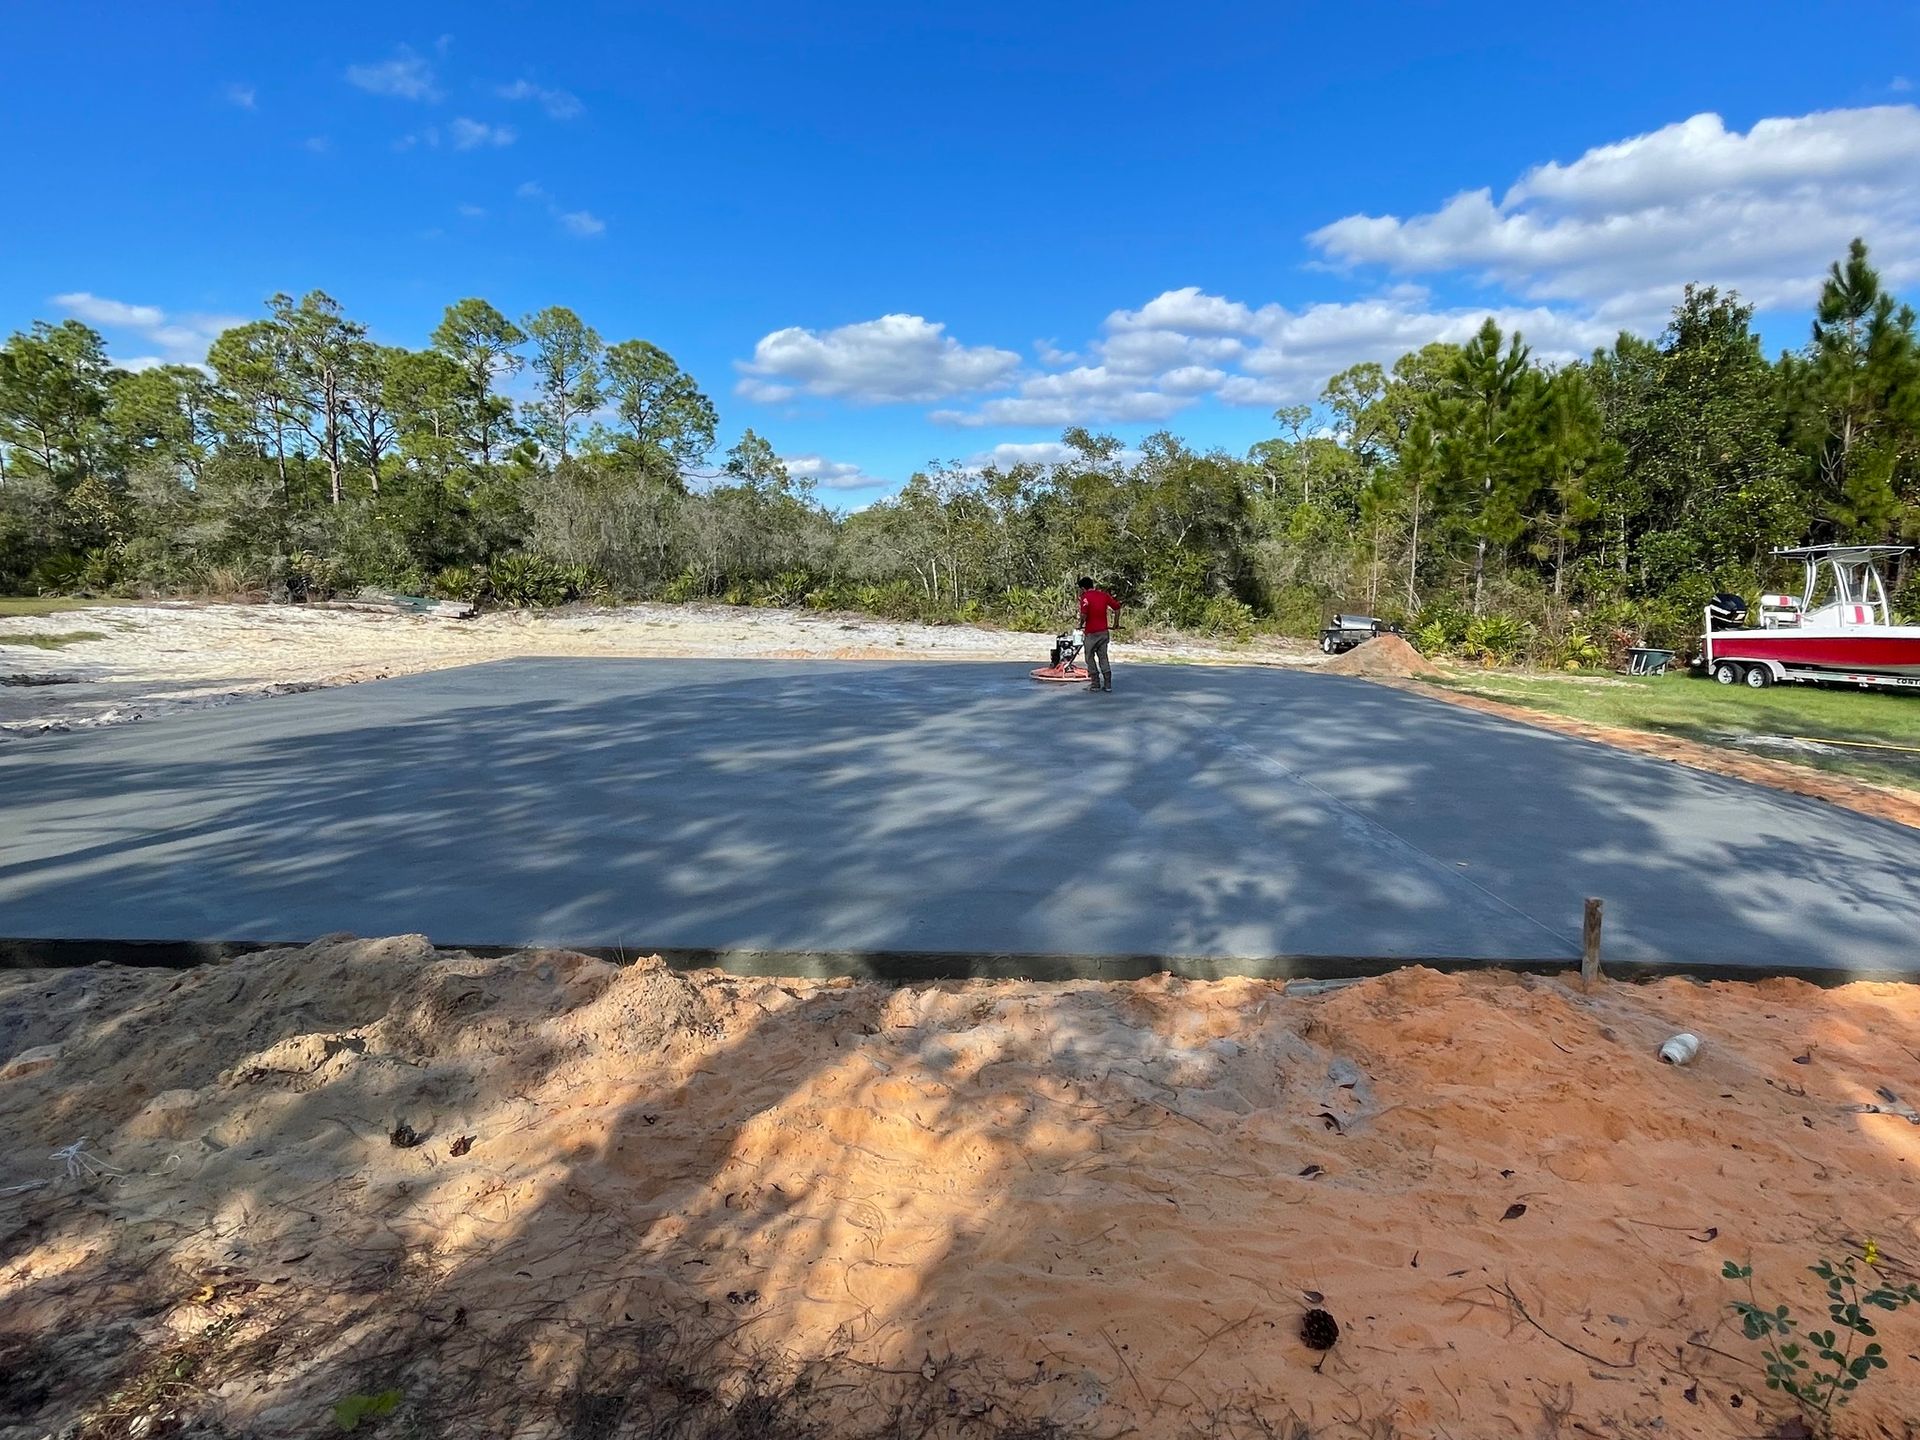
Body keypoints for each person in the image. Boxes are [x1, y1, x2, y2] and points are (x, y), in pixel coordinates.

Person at [1077, 576, 1118, 691]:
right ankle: (1108, 684)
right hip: (1104, 632)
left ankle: (1095, 683)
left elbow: (1084, 614)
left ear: (1083, 588)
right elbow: (1117, 608)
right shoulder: (1103, 595)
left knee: (1089, 657)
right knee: (1103, 657)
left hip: (1091, 633)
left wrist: (1080, 624)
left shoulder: (1085, 597)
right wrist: (1115, 623)